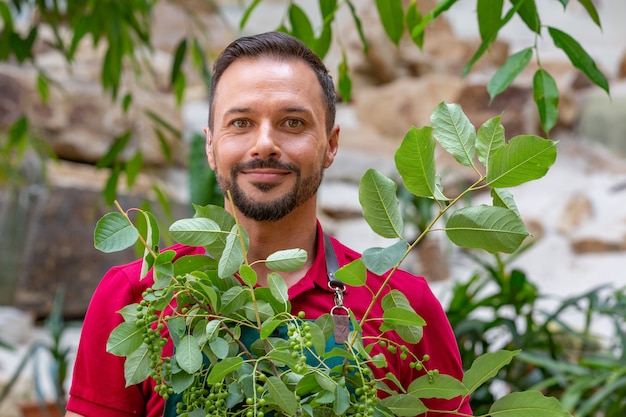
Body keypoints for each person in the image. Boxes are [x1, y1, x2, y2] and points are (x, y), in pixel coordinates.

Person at [65, 32, 472, 417]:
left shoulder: (399, 303)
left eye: (293, 122)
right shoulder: (136, 297)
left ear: (330, 145)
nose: (264, 144)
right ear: (210, 145)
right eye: (240, 122)